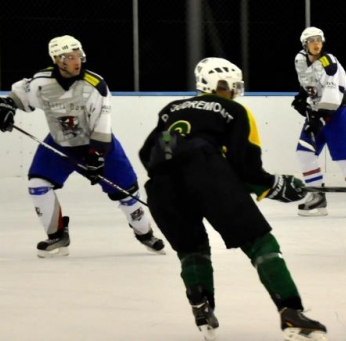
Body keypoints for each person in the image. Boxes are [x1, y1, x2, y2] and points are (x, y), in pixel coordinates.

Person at [139, 57, 327, 341]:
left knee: (192, 249)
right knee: (260, 243)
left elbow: (148, 153)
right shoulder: (234, 110)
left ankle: (202, 308)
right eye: (231, 86)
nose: (235, 91)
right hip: (208, 173)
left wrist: (176, 178)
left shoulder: (171, 109)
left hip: (162, 185)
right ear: (220, 86)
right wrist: (275, 185)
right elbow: (245, 165)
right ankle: (291, 311)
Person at [0, 35, 165, 258]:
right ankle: (57, 236)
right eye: (70, 57)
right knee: (37, 184)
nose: (77, 61)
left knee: (127, 193)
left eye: (78, 56)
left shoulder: (95, 86)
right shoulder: (40, 82)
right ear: (57, 59)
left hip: (97, 143)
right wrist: (6, 107)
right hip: (60, 144)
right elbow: (19, 96)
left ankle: (144, 233)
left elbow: (102, 124)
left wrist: (97, 156)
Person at [291, 26, 346, 217]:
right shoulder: (300, 60)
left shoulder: (329, 62)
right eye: (312, 41)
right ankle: (317, 196)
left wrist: (320, 118)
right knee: (304, 153)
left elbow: (333, 93)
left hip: (338, 115)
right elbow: (309, 83)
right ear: (305, 45)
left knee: (345, 159)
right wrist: (302, 97)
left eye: (319, 40)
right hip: (317, 114)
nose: (316, 43)